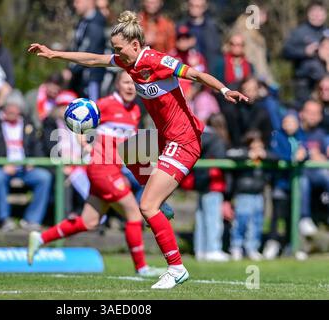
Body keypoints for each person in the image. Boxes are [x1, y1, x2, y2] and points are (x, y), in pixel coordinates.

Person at [27, 10, 248, 289]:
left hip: (184, 140)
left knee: (145, 206)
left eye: (119, 49)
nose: (116, 54)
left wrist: (224, 90)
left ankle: (176, 267)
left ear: (135, 45)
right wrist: (55, 55)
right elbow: (94, 60)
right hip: (163, 137)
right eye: (114, 49)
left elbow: (194, 74)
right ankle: (161, 202)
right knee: (129, 152)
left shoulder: (156, 60)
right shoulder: (127, 62)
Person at [29, 71, 166, 277]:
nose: (130, 87)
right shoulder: (105, 104)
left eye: (133, 83)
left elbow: (128, 145)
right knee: (134, 213)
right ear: (117, 85)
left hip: (112, 170)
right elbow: (77, 115)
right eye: (126, 82)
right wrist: (82, 139)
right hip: (102, 170)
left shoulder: (135, 111)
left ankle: (39, 239)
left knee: (89, 222)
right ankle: (142, 268)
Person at [0, 90, 52, 232]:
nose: (12, 110)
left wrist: (32, 161)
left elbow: (36, 146)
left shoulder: (27, 124)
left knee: (44, 177)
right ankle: (4, 218)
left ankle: (32, 219)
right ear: (5, 107)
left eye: (16, 108)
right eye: (10, 107)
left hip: (25, 168)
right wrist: (3, 164)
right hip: (3, 167)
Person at [227, 130, 276, 261]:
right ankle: (236, 247)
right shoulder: (242, 152)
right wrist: (249, 154)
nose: (257, 145)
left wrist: (264, 155)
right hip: (243, 195)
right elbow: (230, 154)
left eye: (259, 142)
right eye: (255, 142)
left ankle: (252, 248)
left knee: (257, 222)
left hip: (258, 194)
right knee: (241, 222)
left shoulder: (264, 154)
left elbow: (277, 157)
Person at [264, 111, 306, 259]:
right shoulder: (277, 136)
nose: (288, 125)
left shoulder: (300, 135)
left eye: (292, 122)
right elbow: (277, 154)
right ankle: (273, 244)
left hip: (295, 184)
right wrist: (293, 157)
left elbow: (304, 150)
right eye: (286, 122)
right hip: (280, 183)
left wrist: (304, 153)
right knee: (277, 216)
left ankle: (292, 245)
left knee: (292, 216)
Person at [193, 113, 230, 262]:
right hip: (214, 183)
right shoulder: (216, 139)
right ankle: (213, 249)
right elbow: (222, 157)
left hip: (201, 182)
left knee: (201, 218)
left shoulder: (200, 137)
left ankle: (200, 249)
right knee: (213, 219)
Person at [283, 0, 328, 106]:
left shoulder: (327, 32)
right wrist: (304, 52)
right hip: (304, 83)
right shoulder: (299, 32)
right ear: (308, 14)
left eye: (320, 12)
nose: (317, 15)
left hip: (325, 84)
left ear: (325, 14)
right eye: (314, 12)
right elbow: (285, 52)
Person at [298, 99, 329, 236]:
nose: (312, 116)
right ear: (302, 113)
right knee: (302, 181)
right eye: (309, 112)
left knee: (325, 175)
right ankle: (304, 218)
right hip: (299, 174)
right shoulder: (295, 131)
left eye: (316, 113)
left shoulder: (322, 134)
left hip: (318, 174)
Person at [230, 1, 277, 88]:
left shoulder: (256, 34)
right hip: (252, 82)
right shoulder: (246, 35)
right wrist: (265, 82)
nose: (265, 17)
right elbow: (252, 61)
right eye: (262, 14)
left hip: (258, 80)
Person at [69, 0, 107, 101]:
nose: (74, 5)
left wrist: (71, 70)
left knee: (92, 110)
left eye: (78, 1)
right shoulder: (83, 21)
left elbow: (89, 51)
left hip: (91, 77)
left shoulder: (96, 23)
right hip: (80, 76)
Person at [178, 0, 222, 73]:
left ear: (204, 7)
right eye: (192, 5)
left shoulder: (213, 27)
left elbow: (216, 51)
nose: (194, 9)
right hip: (187, 72)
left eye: (198, 6)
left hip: (210, 71)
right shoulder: (181, 26)